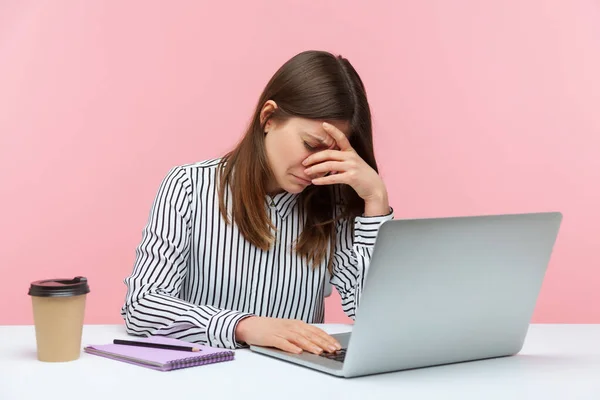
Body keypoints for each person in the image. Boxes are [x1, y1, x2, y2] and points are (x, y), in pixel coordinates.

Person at [120, 50, 394, 356]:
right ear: (268, 118)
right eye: (311, 145)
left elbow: (374, 316)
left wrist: (375, 202)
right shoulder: (189, 187)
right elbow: (143, 305)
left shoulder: (334, 202)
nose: (317, 166)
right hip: (204, 375)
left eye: (332, 155)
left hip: (295, 381)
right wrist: (245, 326)